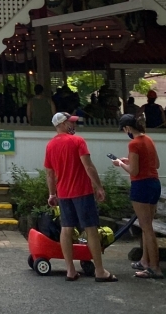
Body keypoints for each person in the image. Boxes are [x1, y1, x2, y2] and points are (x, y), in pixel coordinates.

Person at [43, 112, 117, 282]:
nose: (74, 125)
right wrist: (99, 187)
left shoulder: (50, 145)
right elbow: (88, 167)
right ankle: (100, 271)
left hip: (63, 193)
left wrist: (52, 193)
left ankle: (70, 270)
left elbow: (49, 173)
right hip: (82, 191)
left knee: (66, 229)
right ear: (62, 124)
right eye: (71, 122)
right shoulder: (78, 141)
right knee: (91, 229)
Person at [113, 114, 163, 278]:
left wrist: (121, 164)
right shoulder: (148, 139)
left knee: (147, 228)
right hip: (154, 184)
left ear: (127, 128)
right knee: (146, 225)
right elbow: (156, 164)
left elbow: (133, 171)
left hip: (141, 186)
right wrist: (130, 161)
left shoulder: (134, 143)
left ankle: (154, 268)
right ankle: (145, 261)